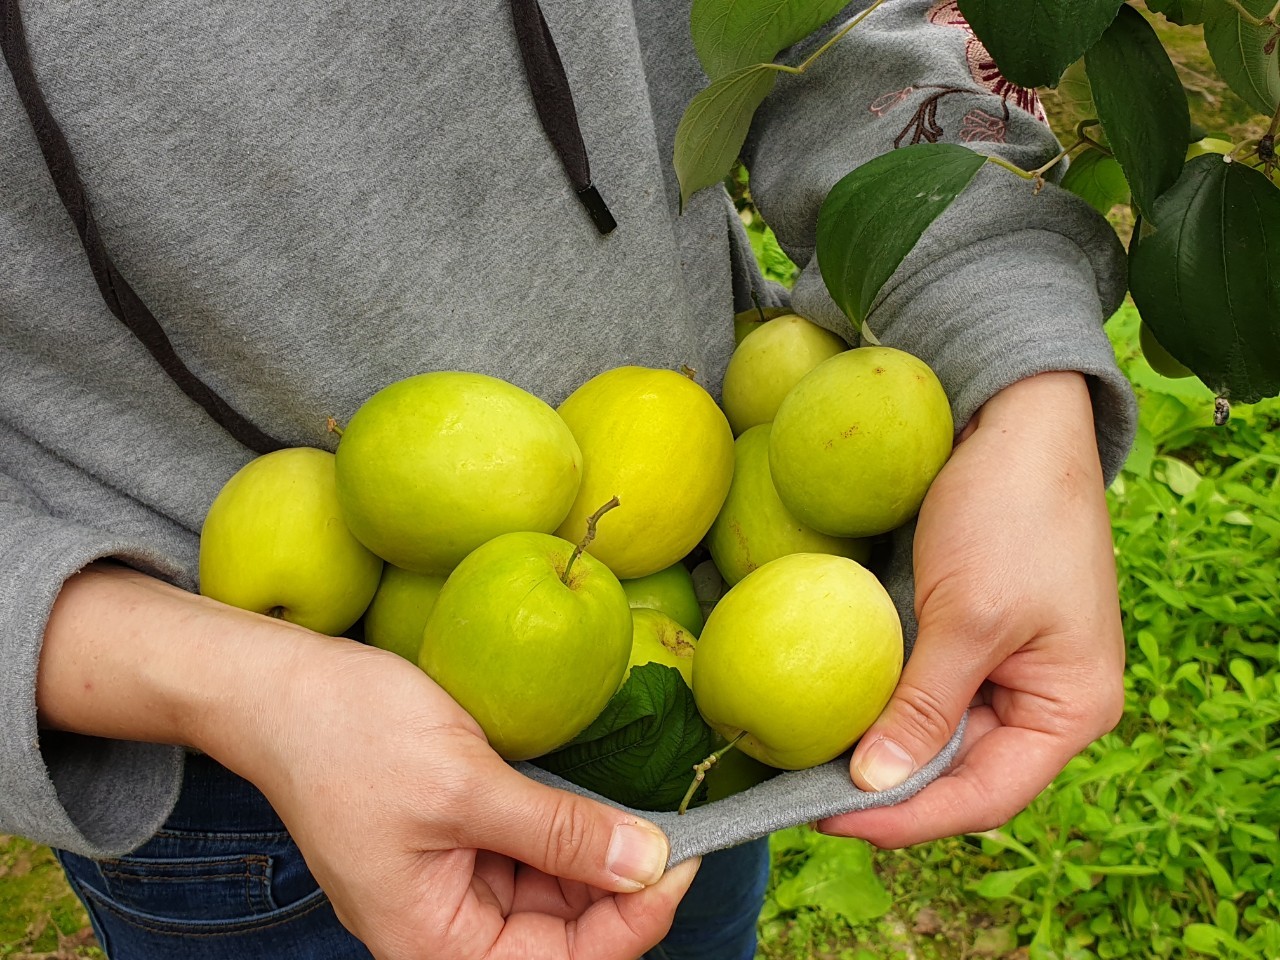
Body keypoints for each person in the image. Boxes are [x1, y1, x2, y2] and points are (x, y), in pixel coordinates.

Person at [0, 1, 1132, 957]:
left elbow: (823, 29)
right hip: (208, 773)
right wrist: (214, 679)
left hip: (683, 668)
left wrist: (1023, 382)